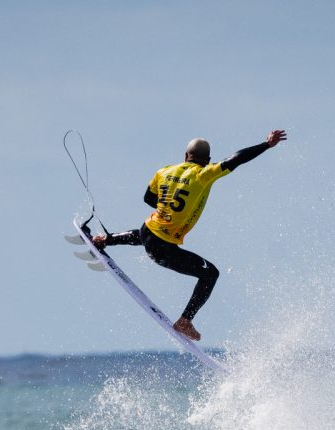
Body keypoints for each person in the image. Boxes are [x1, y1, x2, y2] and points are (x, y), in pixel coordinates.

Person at [93, 130, 287, 341]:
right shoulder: (204, 175)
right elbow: (236, 159)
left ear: (186, 156)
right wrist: (266, 145)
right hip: (163, 249)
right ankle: (185, 321)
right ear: (208, 160)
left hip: (147, 230)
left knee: (148, 234)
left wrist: (169, 208)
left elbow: (148, 198)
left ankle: (105, 239)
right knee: (210, 274)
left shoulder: (164, 171)